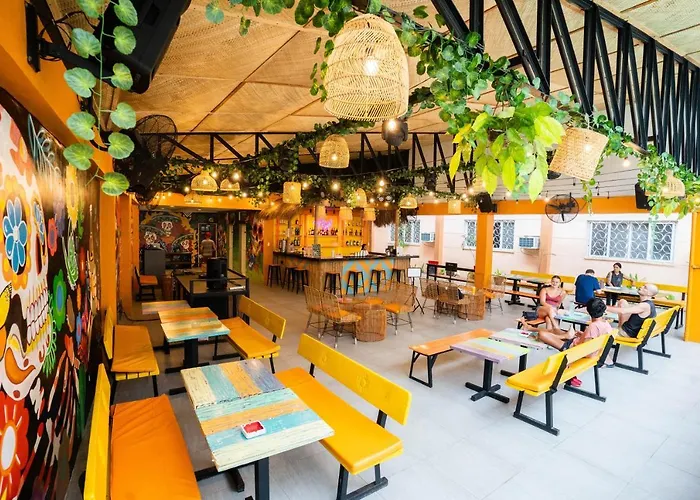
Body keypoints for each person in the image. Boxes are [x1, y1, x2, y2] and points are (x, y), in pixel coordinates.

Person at [523, 298, 613, 387]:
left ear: (588, 311)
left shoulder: (593, 326)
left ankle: (565, 336)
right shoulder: (606, 324)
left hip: (572, 348)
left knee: (542, 335)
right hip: (578, 343)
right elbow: (593, 339)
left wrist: (575, 340)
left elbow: (584, 349)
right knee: (556, 330)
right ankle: (530, 328)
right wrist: (583, 335)